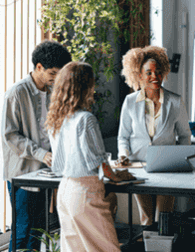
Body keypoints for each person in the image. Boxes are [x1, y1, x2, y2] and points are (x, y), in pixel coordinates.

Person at [47, 62, 134, 252]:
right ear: (85, 87)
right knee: (107, 248)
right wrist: (118, 176)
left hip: (65, 191)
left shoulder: (57, 119)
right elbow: (99, 163)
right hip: (85, 193)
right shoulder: (86, 120)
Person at [1, 40, 72, 252]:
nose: (56, 78)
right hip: (23, 174)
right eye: (53, 73)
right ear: (38, 67)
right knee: (23, 230)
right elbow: (10, 135)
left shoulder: (53, 92)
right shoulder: (17, 93)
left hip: (45, 174)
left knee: (39, 231)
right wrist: (42, 154)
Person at [117, 46, 191, 226]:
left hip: (167, 169)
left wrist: (180, 159)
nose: (155, 77)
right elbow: (123, 137)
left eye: (158, 72)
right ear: (139, 75)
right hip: (139, 168)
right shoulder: (130, 102)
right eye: (148, 72)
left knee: (164, 216)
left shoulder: (175, 101)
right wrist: (124, 155)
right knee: (147, 218)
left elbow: (184, 135)